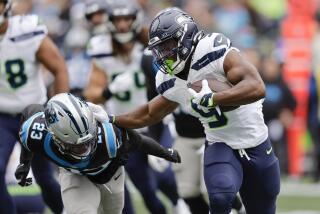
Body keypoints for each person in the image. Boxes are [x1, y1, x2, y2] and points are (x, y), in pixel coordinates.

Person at [109, 8, 280, 214]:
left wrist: (214, 98)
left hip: (257, 143)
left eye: (168, 46)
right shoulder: (168, 79)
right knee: (220, 194)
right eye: (159, 49)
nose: (163, 55)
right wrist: (110, 120)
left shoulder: (213, 50)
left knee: (263, 207)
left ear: (186, 37)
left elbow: (257, 87)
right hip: (220, 142)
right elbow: (148, 114)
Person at [84, 1, 188, 213]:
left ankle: (181, 204)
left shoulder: (154, 43)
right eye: (117, 20)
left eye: (126, 19)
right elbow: (91, 94)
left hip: (156, 119)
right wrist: (109, 90)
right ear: (110, 23)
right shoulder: (101, 47)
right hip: (124, 124)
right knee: (144, 186)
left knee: (165, 176)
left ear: (135, 20)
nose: (122, 25)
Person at [14, 93, 181, 214]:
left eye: (88, 141)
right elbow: (28, 112)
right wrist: (25, 162)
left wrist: (165, 152)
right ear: (55, 137)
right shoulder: (36, 132)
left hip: (109, 173)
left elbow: (139, 141)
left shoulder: (109, 134)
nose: (85, 148)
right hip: (74, 174)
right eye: (77, 146)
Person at [0, 0, 69, 213]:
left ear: (6, 5)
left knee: (45, 178)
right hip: (2, 117)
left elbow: (59, 68)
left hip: (34, 113)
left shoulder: (27, 31)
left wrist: (59, 109)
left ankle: (66, 210)